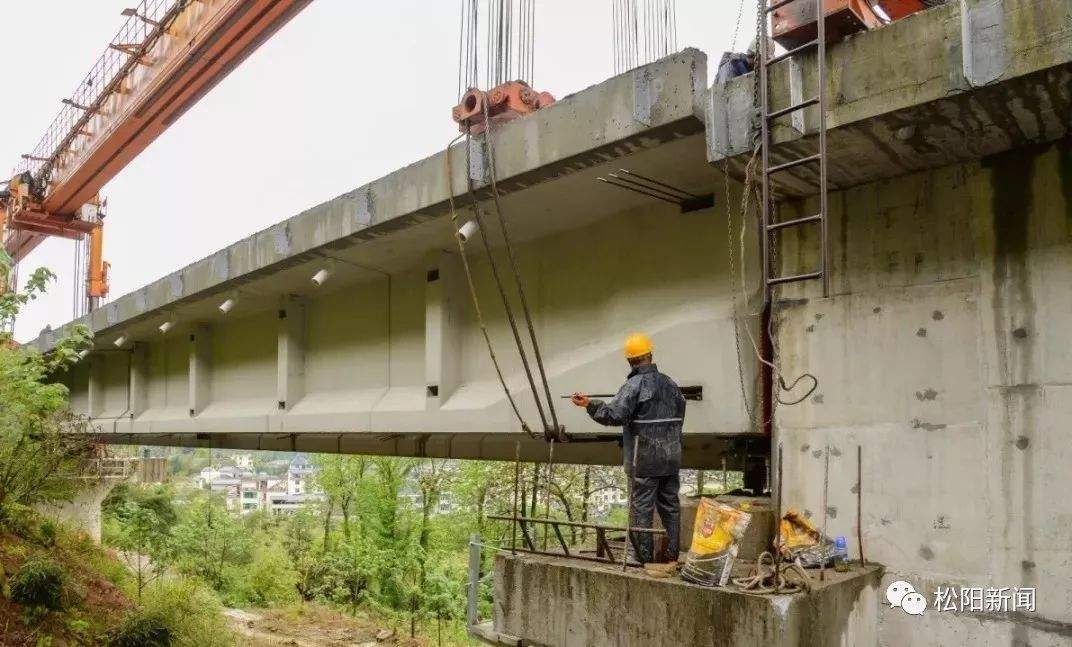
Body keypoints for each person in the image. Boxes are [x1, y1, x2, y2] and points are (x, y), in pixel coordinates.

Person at [570, 333, 686, 565]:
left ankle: (643, 559)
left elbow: (614, 415)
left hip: (643, 461)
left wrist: (589, 404)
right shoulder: (670, 383)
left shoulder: (633, 385)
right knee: (671, 507)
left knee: (641, 510)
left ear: (630, 361)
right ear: (650, 355)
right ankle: (672, 555)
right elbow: (680, 411)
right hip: (671, 457)